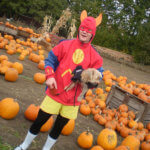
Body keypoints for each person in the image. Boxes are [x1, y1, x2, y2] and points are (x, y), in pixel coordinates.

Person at [15, 10, 104, 150]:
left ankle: (46, 149)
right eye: (83, 29)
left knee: (59, 127)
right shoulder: (65, 45)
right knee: (39, 120)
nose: (84, 32)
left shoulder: (96, 57)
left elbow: (98, 77)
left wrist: (89, 78)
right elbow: (50, 60)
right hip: (55, 92)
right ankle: (23, 146)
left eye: (88, 30)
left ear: (93, 34)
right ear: (79, 29)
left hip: (73, 100)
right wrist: (50, 76)